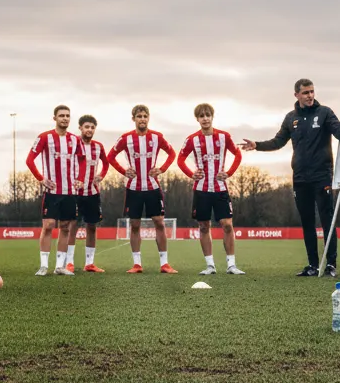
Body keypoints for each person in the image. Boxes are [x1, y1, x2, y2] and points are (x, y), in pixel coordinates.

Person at [240, 79, 340, 277]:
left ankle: (330, 265)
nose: (310, 95)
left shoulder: (325, 113)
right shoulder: (290, 118)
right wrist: (257, 145)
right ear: (296, 95)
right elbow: (278, 141)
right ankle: (312, 265)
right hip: (300, 178)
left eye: (312, 91)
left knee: (327, 219)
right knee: (307, 221)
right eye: (305, 93)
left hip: (322, 176)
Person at [107, 105, 178, 274]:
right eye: (139, 116)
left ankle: (164, 264)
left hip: (153, 187)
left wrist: (162, 169)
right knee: (135, 225)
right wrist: (124, 171)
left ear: (148, 118)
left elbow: (172, 153)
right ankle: (137, 264)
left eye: (145, 116)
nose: (142, 119)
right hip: (134, 189)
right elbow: (110, 156)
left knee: (159, 223)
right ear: (134, 119)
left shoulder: (157, 137)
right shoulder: (126, 139)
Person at [177, 103, 245, 275]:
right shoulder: (192, 139)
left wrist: (228, 172)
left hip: (220, 189)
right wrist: (191, 174)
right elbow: (180, 159)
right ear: (197, 119)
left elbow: (238, 154)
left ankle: (231, 265)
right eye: (201, 116)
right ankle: (210, 266)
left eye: (208, 115)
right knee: (204, 226)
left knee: (227, 225)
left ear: (212, 117)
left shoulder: (224, 136)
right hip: (201, 190)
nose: (205, 118)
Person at [26, 105, 82, 276]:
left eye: (67, 116)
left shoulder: (75, 140)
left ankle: (59, 266)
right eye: (61, 115)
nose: (65, 118)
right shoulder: (45, 137)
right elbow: (30, 160)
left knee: (65, 227)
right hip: (52, 191)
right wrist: (41, 179)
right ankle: (43, 265)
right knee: (49, 225)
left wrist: (79, 179)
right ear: (55, 118)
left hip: (70, 192)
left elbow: (83, 160)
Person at [65, 114, 110, 273]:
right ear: (80, 128)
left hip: (92, 192)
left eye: (92, 127)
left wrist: (101, 175)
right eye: (87, 127)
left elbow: (106, 163)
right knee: (73, 226)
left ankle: (89, 263)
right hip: (75, 193)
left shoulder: (98, 146)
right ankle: (69, 262)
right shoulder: (72, 144)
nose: (89, 130)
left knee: (92, 226)